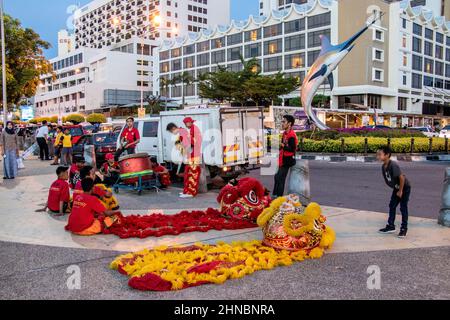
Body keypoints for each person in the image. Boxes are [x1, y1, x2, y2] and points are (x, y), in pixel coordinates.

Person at [377, 146, 411, 238]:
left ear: (387, 155)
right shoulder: (384, 166)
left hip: (404, 188)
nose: (378, 157)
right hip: (397, 188)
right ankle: (391, 226)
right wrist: (396, 188)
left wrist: (400, 191)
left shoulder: (393, 165)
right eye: (378, 155)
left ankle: (404, 229)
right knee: (392, 205)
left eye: (380, 154)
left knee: (403, 208)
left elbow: (402, 177)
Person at [166, 122, 201, 198]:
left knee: (191, 176)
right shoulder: (181, 132)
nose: (172, 133)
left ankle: (190, 192)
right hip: (188, 158)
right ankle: (186, 191)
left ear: (173, 128)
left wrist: (183, 152)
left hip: (192, 158)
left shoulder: (182, 132)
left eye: (171, 131)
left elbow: (187, 145)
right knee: (187, 176)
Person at [273, 115, 298, 198]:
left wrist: (283, 146)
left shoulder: (291, 135)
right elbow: (282, 146)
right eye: (282, 122)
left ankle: (278, 198)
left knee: (280, 178)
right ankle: (274, 196)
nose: (282, 123)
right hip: (282, 159)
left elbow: (292, 149)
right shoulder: (285, 133)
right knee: (277, 177)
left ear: (289, 123)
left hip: (287, 160)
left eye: (284, 122)